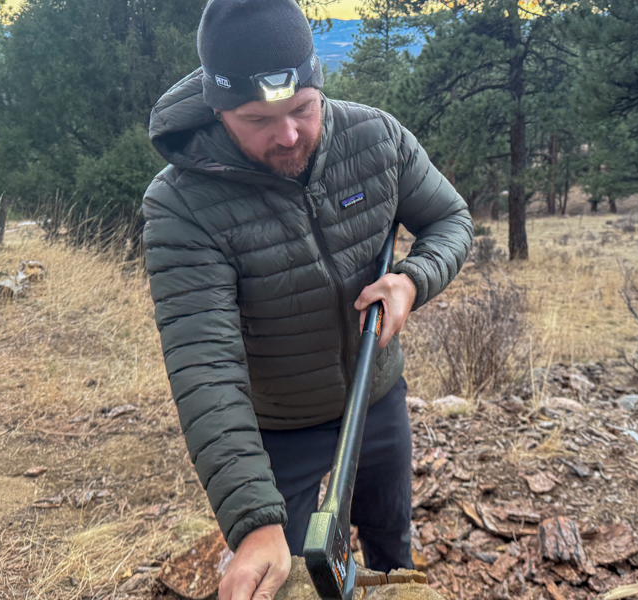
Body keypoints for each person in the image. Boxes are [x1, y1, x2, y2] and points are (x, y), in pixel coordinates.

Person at [141, 0, 473, 598]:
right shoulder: (180, 205)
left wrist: (412, 279)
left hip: (376, 393)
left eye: (303, 109)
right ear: (219, 111)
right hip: (280, 425)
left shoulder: (376, 136)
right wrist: (254, 521)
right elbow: (205, 370)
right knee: (285, 568)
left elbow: (450, 218)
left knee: (390, 540)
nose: (289, 134)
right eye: (258, 120)